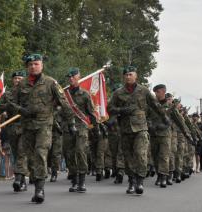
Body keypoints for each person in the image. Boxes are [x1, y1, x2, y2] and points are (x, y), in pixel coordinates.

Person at [9, 54, 75, 203]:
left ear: (42, 65)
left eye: (36, 64)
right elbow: (11, 102)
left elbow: (64, 102)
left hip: (44, 125)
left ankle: (39, 190)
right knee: (31, 159)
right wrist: (21, 110)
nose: (33, 66)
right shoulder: (22, 84)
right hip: (27, 126)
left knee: (40, 153)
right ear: (27, 67)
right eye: (30, 64)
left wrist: (71, 123)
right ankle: (35, 179)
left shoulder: (51, 82)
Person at [107, 66, 169, 195]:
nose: (128, 76)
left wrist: (164, 117)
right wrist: (121, 110)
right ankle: (131, 181)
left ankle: (140, 181)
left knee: (140, 154)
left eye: (130, 74)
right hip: (125, 129)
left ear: (136, 76)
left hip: (141, 128)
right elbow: (110, 108)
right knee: (128, 157)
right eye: (126, 75)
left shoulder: (144, 91)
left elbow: (155, 105)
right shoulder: (118, 93)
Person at [63, 67, 100, 191]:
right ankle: (74, 180)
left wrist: (96, 129)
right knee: (69, 154)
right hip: (67, 127)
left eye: (73, 76)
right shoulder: (63, 94)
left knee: (81, 151)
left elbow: (91, 113)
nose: (71, 79)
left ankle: (82, 181)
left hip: (81, 127)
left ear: (78, 77)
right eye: (69, 77)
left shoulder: (85, 94)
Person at [0, 70, 28, 192]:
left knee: (22, 152)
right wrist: (6, 106)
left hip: (25, 127)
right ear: (12, 80)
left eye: (20, 78)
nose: (18, 80)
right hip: (12, 127)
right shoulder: (7, 95)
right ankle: (22, 181)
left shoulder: (30, 93)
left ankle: (18, 178)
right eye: (15, 78)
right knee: (16, 154)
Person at [148, 84, 172, 188]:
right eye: (155, 92)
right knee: (155, 156)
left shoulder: (170, 106)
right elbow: (147, 117)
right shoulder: (152, 105)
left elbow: (175, 120)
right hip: (154, 134)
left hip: (165, 135)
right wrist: (150, 125)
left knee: (164, 156)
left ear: (163, 91)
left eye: (157, 92)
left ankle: (163, 177)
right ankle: (159, 175)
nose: (156, 94)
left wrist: (164, 125)